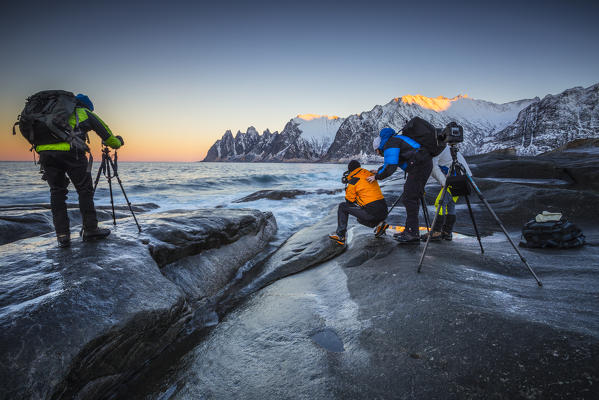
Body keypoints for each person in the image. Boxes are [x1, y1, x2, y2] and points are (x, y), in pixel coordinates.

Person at [37, 93, 124, 248]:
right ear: (87, 107)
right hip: (73, 154)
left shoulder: (49, 113)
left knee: (57, 192)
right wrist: (118, 142)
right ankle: (91, 229)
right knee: (84, 190)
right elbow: (108, 137)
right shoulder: (85, 113)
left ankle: (62, 236)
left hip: (45, 154)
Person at [367, 127, 433, 244]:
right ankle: (411, 230)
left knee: (409, 198)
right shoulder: (394, 140)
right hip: (421, 164)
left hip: (419, 166)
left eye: (376, 151)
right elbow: (390, 163)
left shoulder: (390, 143)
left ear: (379, 147)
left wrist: (376, 177)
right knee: (411, 197)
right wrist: (378, 171)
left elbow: (391, 167)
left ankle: (412, 233)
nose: (378, 154)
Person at [329, 160, 388, 245]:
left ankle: (340, 235)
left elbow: (349, 202)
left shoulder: (354, 181)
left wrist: (348, 188)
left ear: (350, 170)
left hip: (372, 212)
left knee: (342, 206)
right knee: (360, 218)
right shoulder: (369, 174)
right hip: (384, 209)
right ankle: (379, 225)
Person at [422, 145, 472, 241]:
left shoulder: (434, 149)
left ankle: (436, 231)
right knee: (450, 205)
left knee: (439, 203)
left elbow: (433, 169)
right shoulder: (443, 147)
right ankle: (447, 232)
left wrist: (444, 183)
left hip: (456, 179)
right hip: (464, 177)